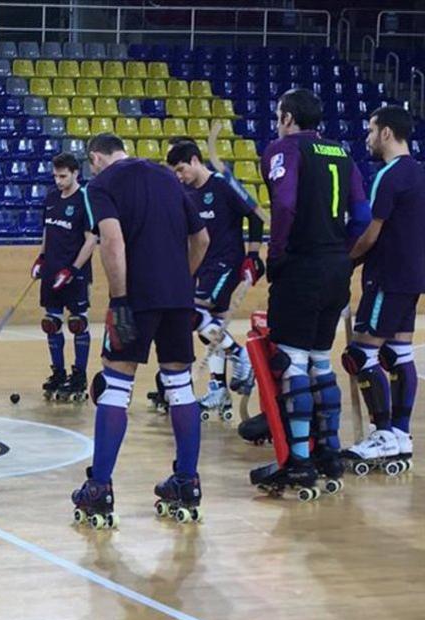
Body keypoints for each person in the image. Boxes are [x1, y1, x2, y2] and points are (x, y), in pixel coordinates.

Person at [73, 133, 210, 529]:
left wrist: (119, 299)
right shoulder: (168, 177)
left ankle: (98, 487)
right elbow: (201, 238)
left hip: (136, 296)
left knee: (116, 386)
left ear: (96, 158)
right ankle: (186, 481)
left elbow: (112, 242)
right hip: (177, 297)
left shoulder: (101, 185)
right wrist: (182, 279)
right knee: (180, 386)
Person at [257, 88, 370, 490]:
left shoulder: (283, 149)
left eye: (277, 114)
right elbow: (361, 214)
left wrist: (278, 252)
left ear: (287, 117)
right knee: (321, 361)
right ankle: (330, 451)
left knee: (291, 361)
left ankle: (300, 460)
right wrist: (344, 255)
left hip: (301, 266)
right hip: (336, 268)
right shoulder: (341, 152)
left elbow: (284, 206)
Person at [341, 105, 422, 474]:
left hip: (386, 277)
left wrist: (346, 262)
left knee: (361, 355)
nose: (368, 138)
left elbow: (371, 233)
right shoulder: (419, 173)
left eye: (372, 131)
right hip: (411, 277)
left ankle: (384, 432)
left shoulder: (388, 176)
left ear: (387, 133)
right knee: (399, 354)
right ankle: (401, 435)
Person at [166, 140, 265, 418]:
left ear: (196, 160)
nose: (180, 176)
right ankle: (218, 391)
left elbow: (256, 216)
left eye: (182, 169)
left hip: (227, 263)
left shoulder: (222, 184)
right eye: (175, 172)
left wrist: (254, 255)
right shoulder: (184, 192)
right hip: (202, 266)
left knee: (192, 312)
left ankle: (241, 355)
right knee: (214, 327)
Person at [32, 152, 96, 402]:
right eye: (55, 176)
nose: (58, 181)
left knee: (78, 323)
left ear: (75, 174)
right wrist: (41, 258)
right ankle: (58, 372)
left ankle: (79, 375)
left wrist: (73, 269)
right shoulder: (50, 199)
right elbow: (48, 231)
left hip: (74, 274)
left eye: (63, 176)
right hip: (51, 272)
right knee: (51, 323)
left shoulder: (85, 199)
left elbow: (92, 239)